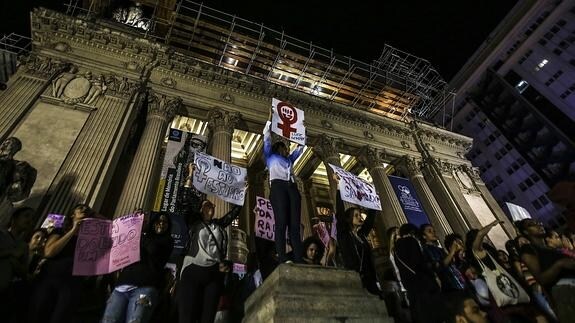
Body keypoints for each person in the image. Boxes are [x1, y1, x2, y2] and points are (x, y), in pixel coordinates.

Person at [177, 165, 243, 323]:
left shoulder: (219, 225)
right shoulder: (194, 222)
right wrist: (190, 175)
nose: (211, 207)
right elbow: (185, 201)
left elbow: (233, 213)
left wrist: (243, 193)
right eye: (207, 205)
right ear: (200, 209)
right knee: (188, 317)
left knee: (207, 318)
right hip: (193, 269)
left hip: (214, 274)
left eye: (212, 206)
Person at [101, 212, 174, 323]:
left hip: (145, 287)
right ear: (153, 222)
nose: (161, 224)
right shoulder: (140, 235)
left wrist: (138, 229)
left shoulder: (167, 241)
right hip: (123, 285)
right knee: (109, 320)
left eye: (165, 222)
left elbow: (152, 248)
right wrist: (132, 224)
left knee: (135, 320)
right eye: (159, 221)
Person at [28, 204, 94, 323]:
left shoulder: (91, 238)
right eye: (81, 208)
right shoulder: (60, 230)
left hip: (72, 283)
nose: (85, 209)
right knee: (38, 315)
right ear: (72, 214)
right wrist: (73, 229)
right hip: (50, 278)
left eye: (88, 210)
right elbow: (49, 252)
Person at [262, 111, 304, 263]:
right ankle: (282, 257)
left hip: (292, 188)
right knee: (281, 223)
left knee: (294, 225)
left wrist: (302, 132)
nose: (288, 150)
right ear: (279, 148)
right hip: (278, 187)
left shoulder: (289, 160)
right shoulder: (270, 157)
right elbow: (266, 139)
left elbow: (299, 149)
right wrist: (269, 122)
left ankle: (299, 257)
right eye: (286, 148)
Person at [517, 218, 575, 322]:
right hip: (565, 294)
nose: (539, 225)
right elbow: (541, 279)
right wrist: (560, 264)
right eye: (532, 225)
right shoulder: (528, 249)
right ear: (526, 232)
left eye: (538, 222)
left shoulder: (551, 249)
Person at [332, 173, 380, 296]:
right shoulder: (344, 234)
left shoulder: (362, 235)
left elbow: (370, 219)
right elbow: (340, 214)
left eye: (360, 214)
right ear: (349, 219)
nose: (360, 217)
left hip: (370, 277)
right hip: (355, 276)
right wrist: (339, 187)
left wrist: (373, 198)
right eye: (356, 215)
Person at [394, 223, 444, 323]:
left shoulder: (395, 248)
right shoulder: (411, 241)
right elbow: (418, 263)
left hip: (411, 289)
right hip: (424, 286)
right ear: (412, 233)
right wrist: (433, 267)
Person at [420, 224, 467, 292]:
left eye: (434, 231)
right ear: (424, 236)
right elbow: (440, 266)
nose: (433, 233)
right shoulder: (427, 249)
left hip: (460, 283)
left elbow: (452, 264)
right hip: (451, 287)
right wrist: (452, 252)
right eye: (429, 231)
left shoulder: (440, 249)